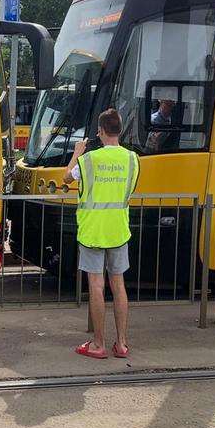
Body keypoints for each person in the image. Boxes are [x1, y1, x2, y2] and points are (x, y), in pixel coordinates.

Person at [63, 108, 140, 359]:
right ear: (119, 130)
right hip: (119, 229)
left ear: (101, 131)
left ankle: (98, 344)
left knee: (97, 285)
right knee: (118, 285)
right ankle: (122, 344)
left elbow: (66, 178)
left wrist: (76, 153)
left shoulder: (88, 160)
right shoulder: (132, 159)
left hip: (93, 231)